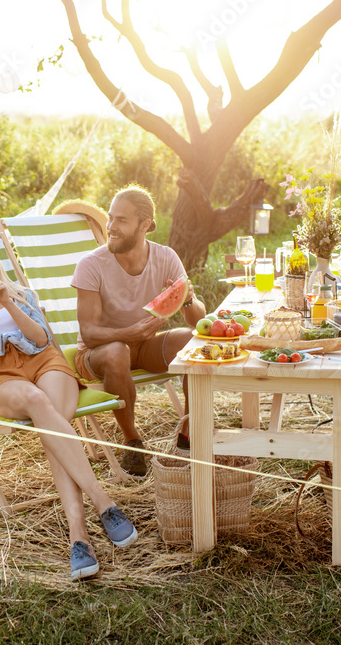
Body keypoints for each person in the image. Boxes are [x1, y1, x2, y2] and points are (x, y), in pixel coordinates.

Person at [0, 238, 137, 580]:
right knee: (38, 404)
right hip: (0, 373)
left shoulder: (20, 293)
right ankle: (103, 502)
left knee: (51, 426)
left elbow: (40, 340)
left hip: (44, 362)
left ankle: (79, 537)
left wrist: (8, 302)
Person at [71, 185, 206, 476]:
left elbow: (197, 320)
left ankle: (189, 432)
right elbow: (90, 333)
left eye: (121, 220)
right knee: (119, 351)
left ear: (145, 225)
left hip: (143, 345)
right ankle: (133, 443)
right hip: (98, 353)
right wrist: (130, 333)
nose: (110, 227)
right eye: (110, 218)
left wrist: (187, 297)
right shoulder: (91, 265)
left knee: (194, 342)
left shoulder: (166, 257)